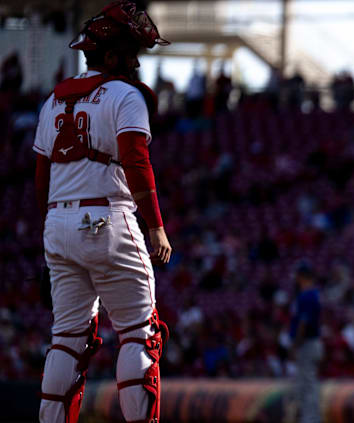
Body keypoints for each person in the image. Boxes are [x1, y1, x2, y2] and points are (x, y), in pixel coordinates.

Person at [33, 2, 172, 422]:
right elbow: (135, 159)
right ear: (110, 57)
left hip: (57, 223)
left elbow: (42, 178)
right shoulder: (126, 95)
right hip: (106, 220)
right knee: (138, 333)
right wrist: (156, 227)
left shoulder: (52, 101)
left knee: (67, 338)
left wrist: (52, 234)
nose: (134, 62)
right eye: (130, 53)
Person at [289, 262, 323, 423]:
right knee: (307, 384)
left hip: (307, 343)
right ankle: (310, 418)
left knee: (307, 384)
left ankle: (311, 419)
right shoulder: (313, 293)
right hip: (311, 343)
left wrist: (296, 344)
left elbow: (304, 322)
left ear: (302, 276)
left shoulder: (307, 295)